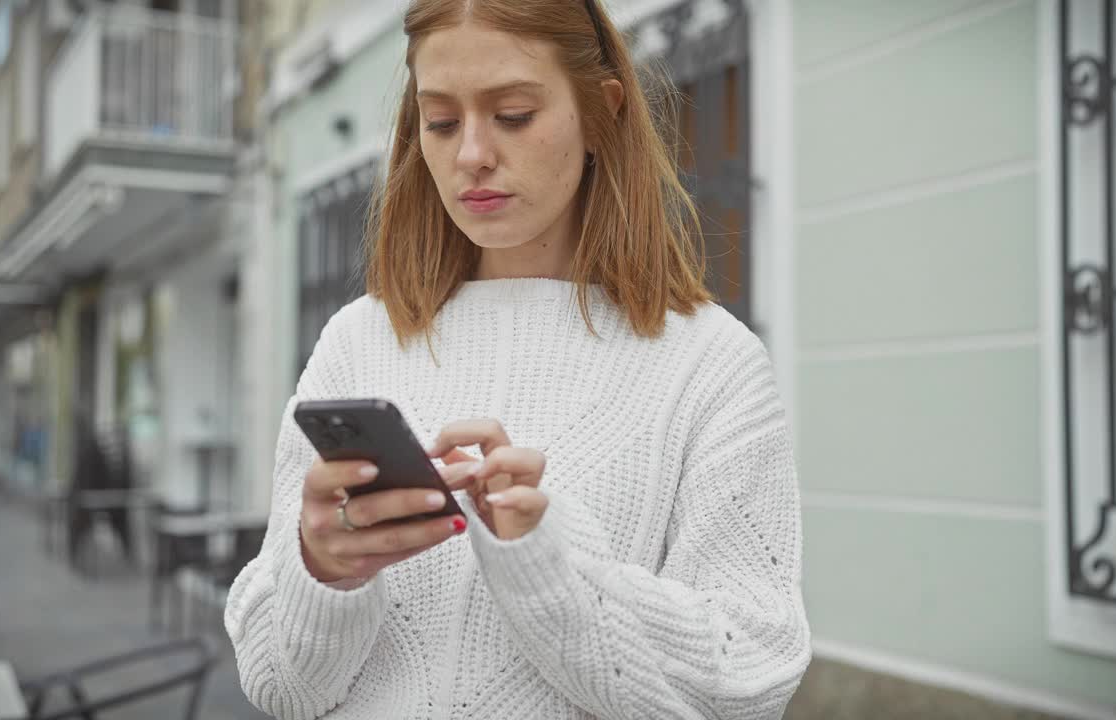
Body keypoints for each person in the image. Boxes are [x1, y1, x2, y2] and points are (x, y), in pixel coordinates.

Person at [224, 1, 810, 717]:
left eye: (513, 115)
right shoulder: (357, 343)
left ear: (602, 113)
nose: (470, 153)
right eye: (439, 122)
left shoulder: (712, 365)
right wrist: (321, 571)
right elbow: (281, 690)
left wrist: (548, 565)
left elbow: (749, 685)